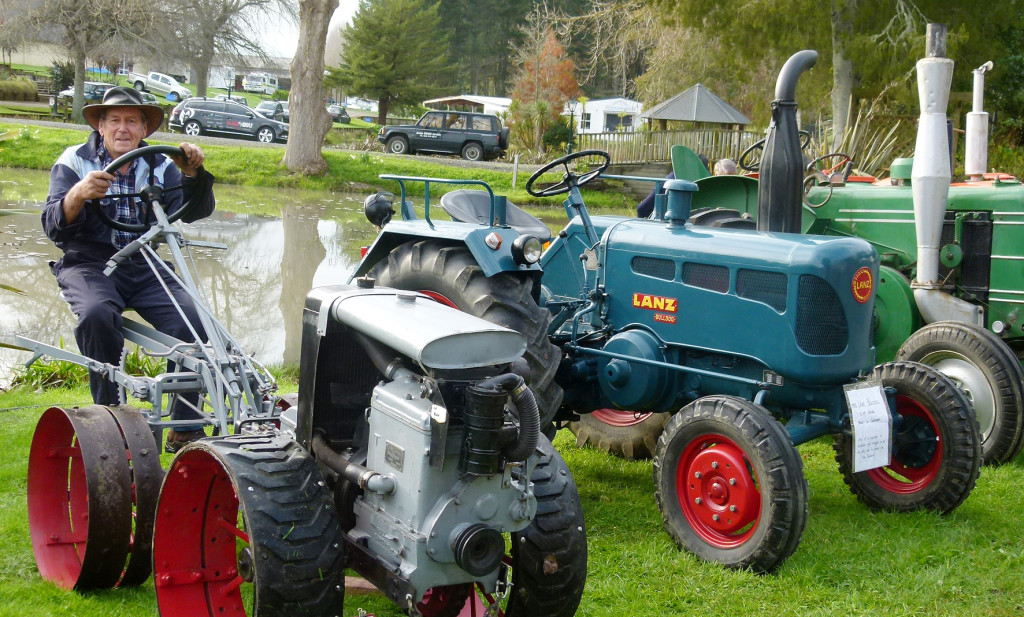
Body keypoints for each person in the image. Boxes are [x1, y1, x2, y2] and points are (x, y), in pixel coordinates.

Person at [42, 86, 217, 453]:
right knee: (96, 315)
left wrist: (193, 175)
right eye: (115, 120)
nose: (124, 129)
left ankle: (184, 424)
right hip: (89, 263)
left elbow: (195, 211)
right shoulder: (73, 161)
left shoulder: (162, 164)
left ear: (144, 130)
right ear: (101, 126)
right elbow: (53, 225)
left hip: (144, 261)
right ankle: (110, 418)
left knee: (196, 321)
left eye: (132, 121)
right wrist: (77, 194)